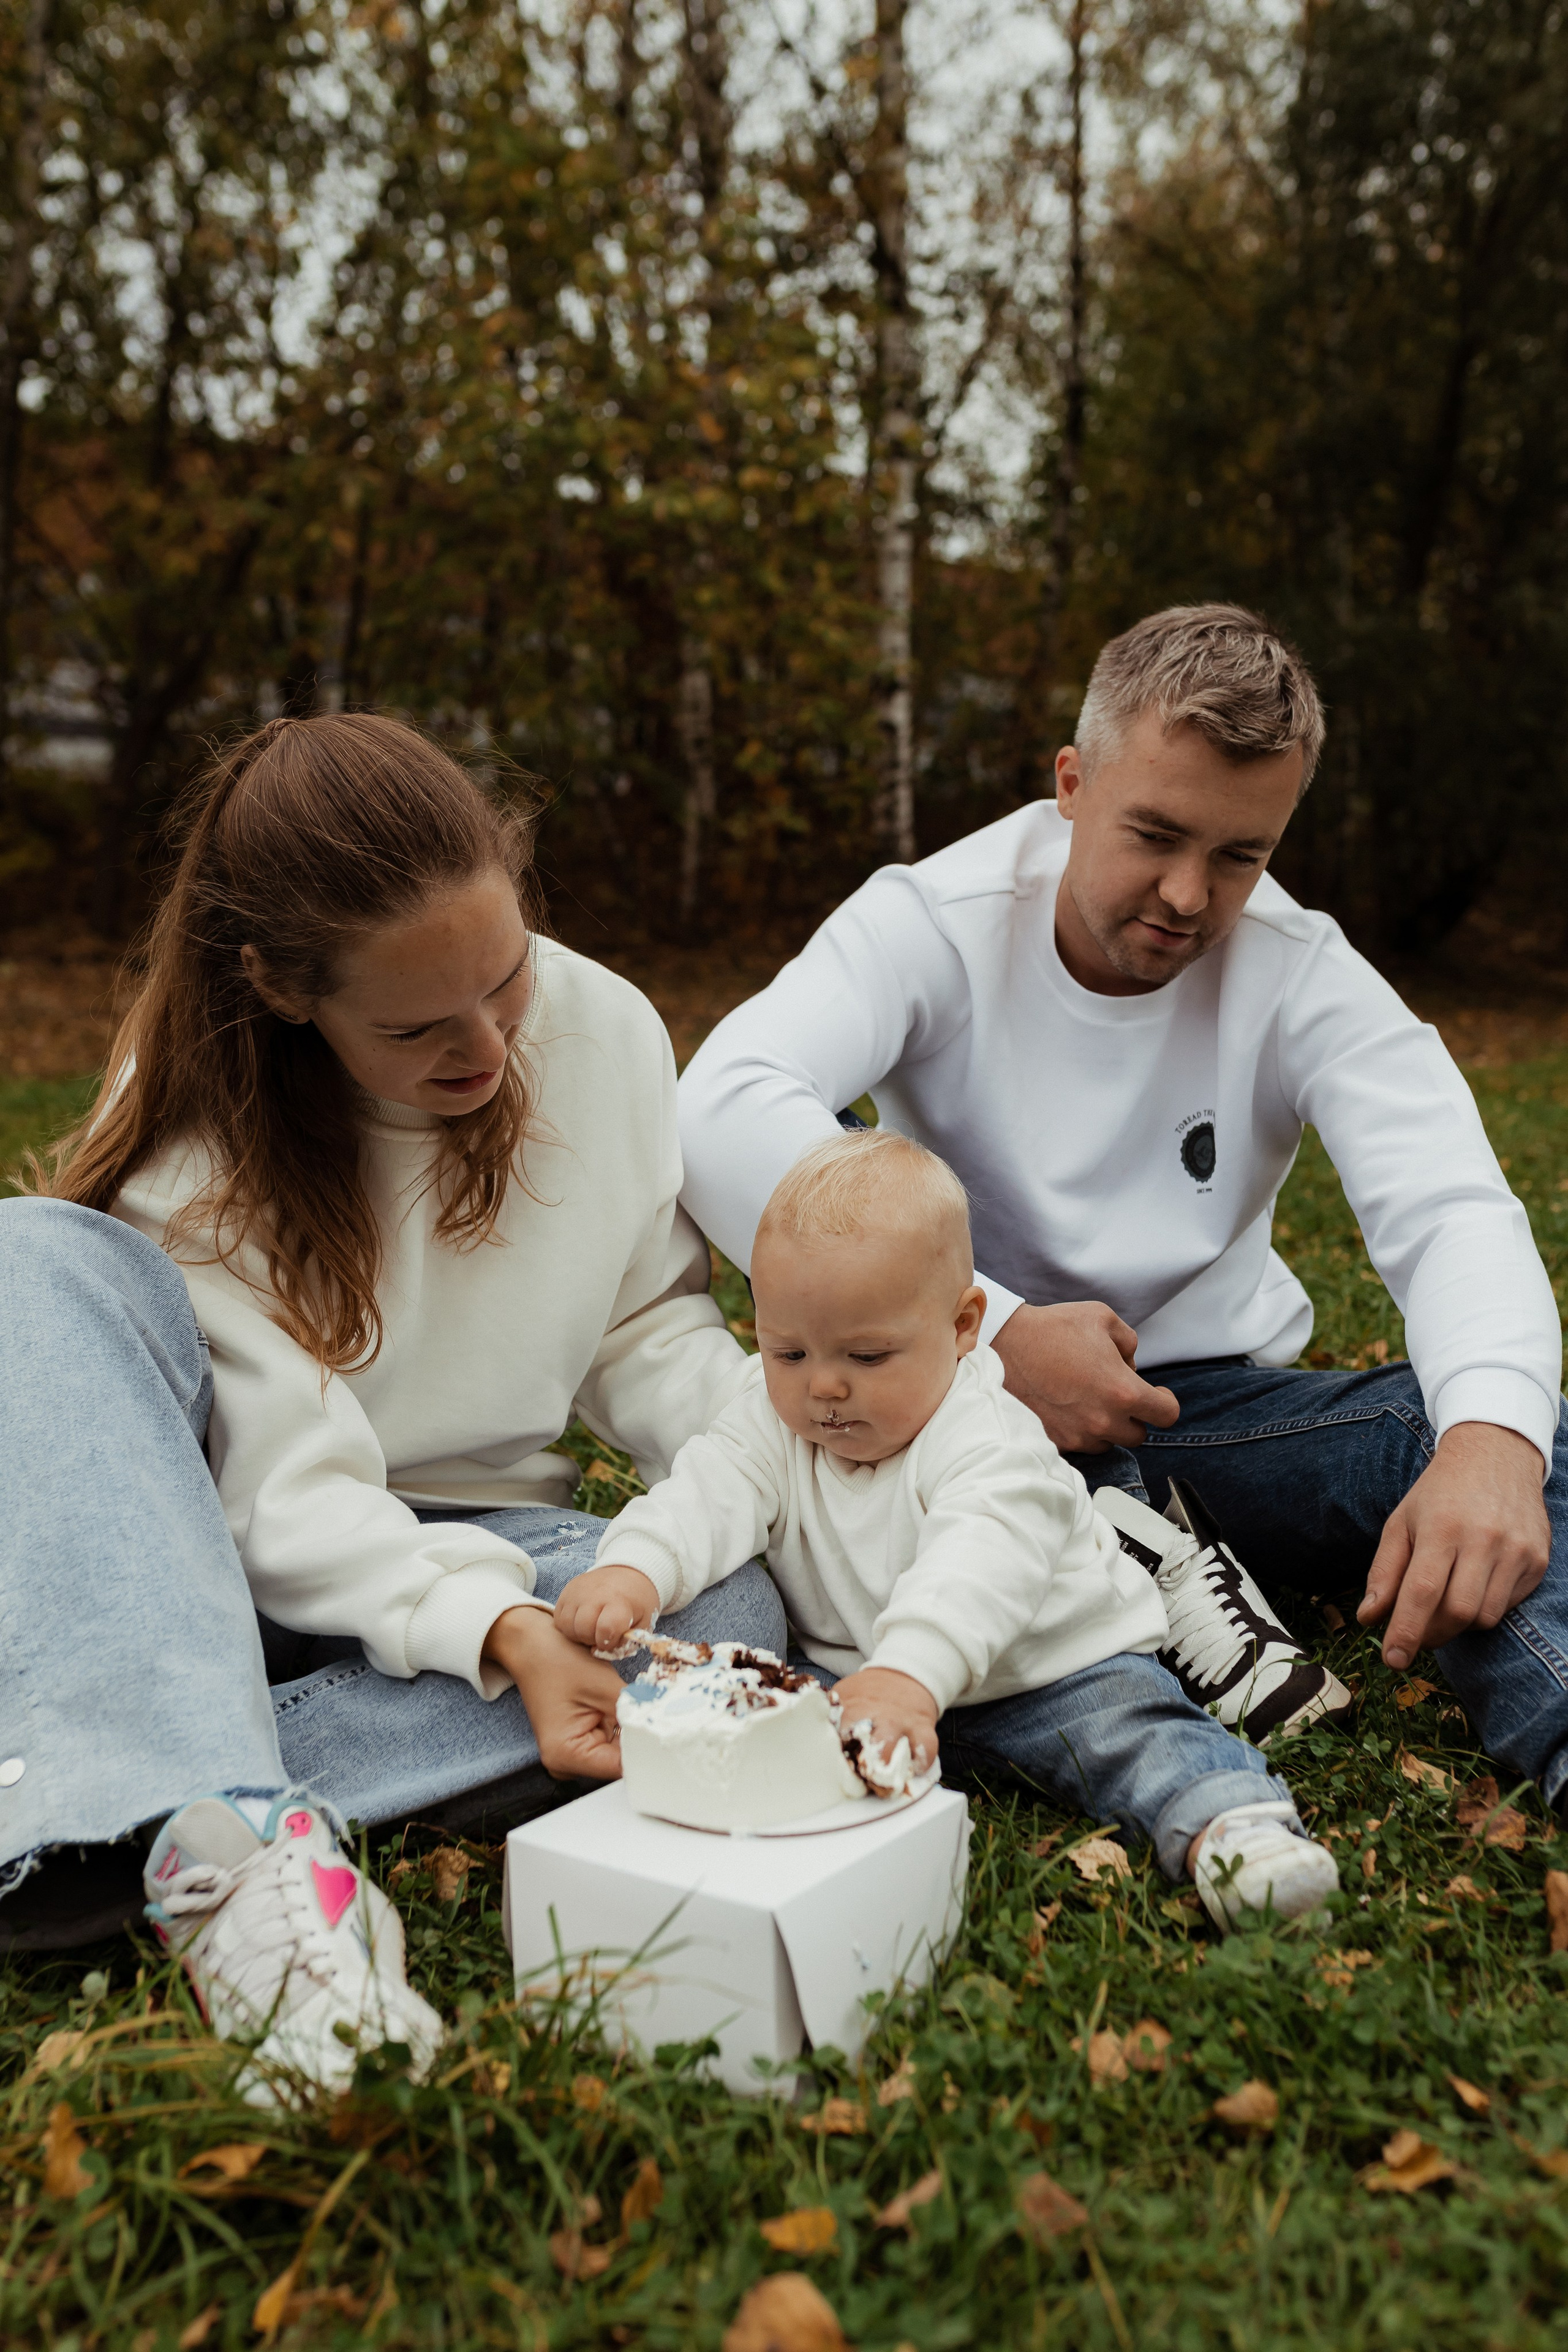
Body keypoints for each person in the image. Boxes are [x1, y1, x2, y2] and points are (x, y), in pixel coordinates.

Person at [0, 712, 784, 2097]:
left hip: (479, 1545)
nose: (485, 1047)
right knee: (33, 1257)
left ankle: (136, 1806)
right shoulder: (198, 1117)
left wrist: (788, 1449)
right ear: (284, 989)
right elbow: (283, 1494)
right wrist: (499, 1633)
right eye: (419, 1027)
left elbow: (648, 1326)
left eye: (507, 979)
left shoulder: (606, 1031)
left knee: (722, 1614)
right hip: (217, 1568)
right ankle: (211, 1830)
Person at [677, 603, 1568, 1817]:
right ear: (1070, 782)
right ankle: (1135, 1566)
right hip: (944, 1417)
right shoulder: (931, 921)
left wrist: (1487, 1447)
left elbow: (1451, 1205)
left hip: (1206, 1410)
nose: (1188, 894)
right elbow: (721, 1102)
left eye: (1239, 856)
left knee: (1502, 1438)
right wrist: (990, 1332)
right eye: (1152, 833)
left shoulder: (1299, 970)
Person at [554, 1129, 1340, 1926]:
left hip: (1047, 1672)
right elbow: (707, 1492)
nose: (823, 1387)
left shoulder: (986, 1440)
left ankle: (1234, 1826)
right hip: (864, 1681)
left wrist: (912, 1676)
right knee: (768, 1720)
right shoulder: (772, 1419)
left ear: (964, 1326)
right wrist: (637, 1568)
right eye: (787, 1351)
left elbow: (976, 1568)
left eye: (866, 1356)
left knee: (1134, 1736)